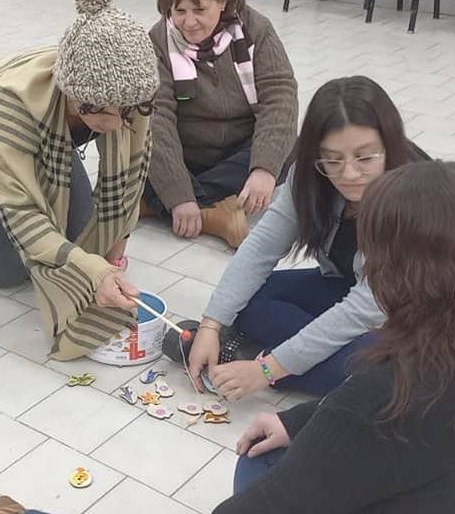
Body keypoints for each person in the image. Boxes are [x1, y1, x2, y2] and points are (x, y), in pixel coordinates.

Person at [213, 161, 455, 513]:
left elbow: (272, 501)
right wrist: (298, 422)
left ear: (395, 273)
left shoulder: (387, 393)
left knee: (257, 464)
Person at [0, 0, 159, 360]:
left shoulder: (130, 93)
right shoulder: (12, 100)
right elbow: (23, 215)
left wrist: (112, 260)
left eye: (127, 111)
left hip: (51, 139)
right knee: (6, 268)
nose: (119, 123)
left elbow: (132, 177)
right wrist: (90, 269)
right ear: (73, 95)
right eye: (104, 111)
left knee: (84, 240)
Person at [164, 76, 427, 396]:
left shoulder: (415, 197)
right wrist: (211, 325)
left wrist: (265, 369)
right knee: (251, 300)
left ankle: (249, 355)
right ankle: (303, 359)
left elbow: (364, 307)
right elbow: (261, 247)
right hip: (347, 289)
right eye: (332, 159)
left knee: (381, 374)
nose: (348, 174)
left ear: (390, 145)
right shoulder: (308, 177)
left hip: (416, 316)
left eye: (365, 157)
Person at [144, 0, 299, 247]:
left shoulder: (256, 30)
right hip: (187, 151)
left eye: (199, 10)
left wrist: (264, 170)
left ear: (224, 1)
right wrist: (179, 195)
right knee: (137, 151)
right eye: (179, 12)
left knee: (293, 148)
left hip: (239, 149)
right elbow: (157, 117)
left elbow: (280, 97)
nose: (189, 23)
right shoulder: (158, 41)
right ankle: (216, 214)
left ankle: (154, 203)